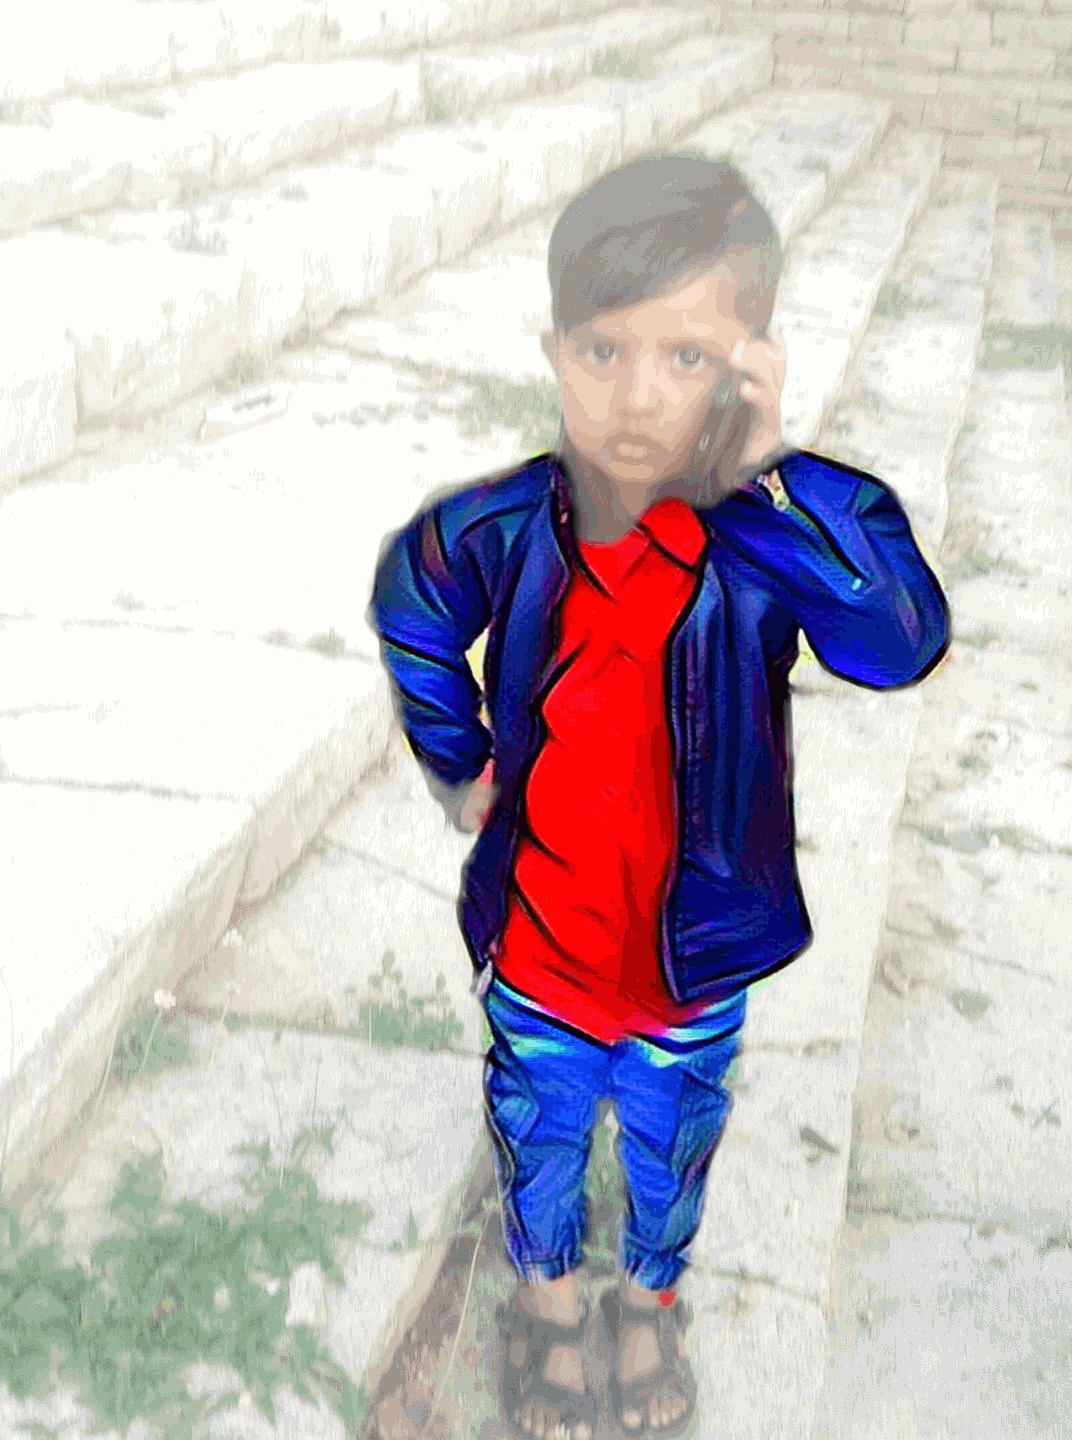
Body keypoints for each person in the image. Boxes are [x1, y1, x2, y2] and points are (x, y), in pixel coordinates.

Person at [367, 152, 950, 1440]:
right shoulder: (509, 526)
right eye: (603, 351)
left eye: (687, 358)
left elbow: (899, 639)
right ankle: (548, 1311)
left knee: (672, 1146)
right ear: (554, 353)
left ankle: (649, 1303)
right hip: (541, 955)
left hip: (691, 968)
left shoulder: (767, 536)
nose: (637, 397)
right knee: (537, 1139)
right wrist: (459, 759)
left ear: (750, 367)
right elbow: (414, 597)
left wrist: (775, 472)